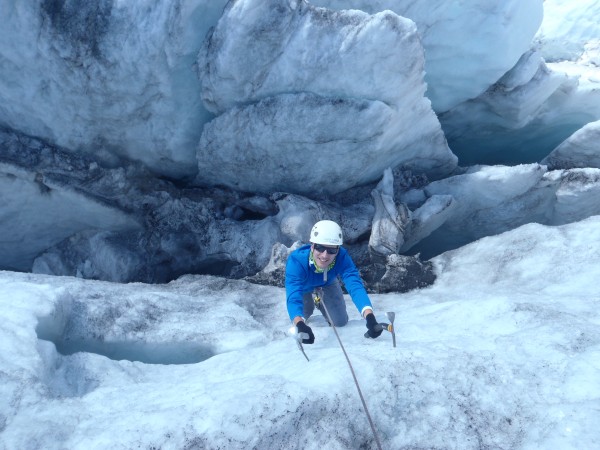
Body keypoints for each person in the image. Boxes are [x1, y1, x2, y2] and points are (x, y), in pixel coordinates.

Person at [285, 219, 384, 344]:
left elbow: (354, 285)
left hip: (328, 282)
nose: (325, 255)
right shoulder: (296, 261)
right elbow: (293, 296)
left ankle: (320, 301)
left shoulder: (342, 257)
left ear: (338, 250)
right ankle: (313, 302)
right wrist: (299, 324)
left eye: (331, 250)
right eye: (320, 248)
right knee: (304, 314)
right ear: (312, 246)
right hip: (303, 287)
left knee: (340, 322)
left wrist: (370, 316)